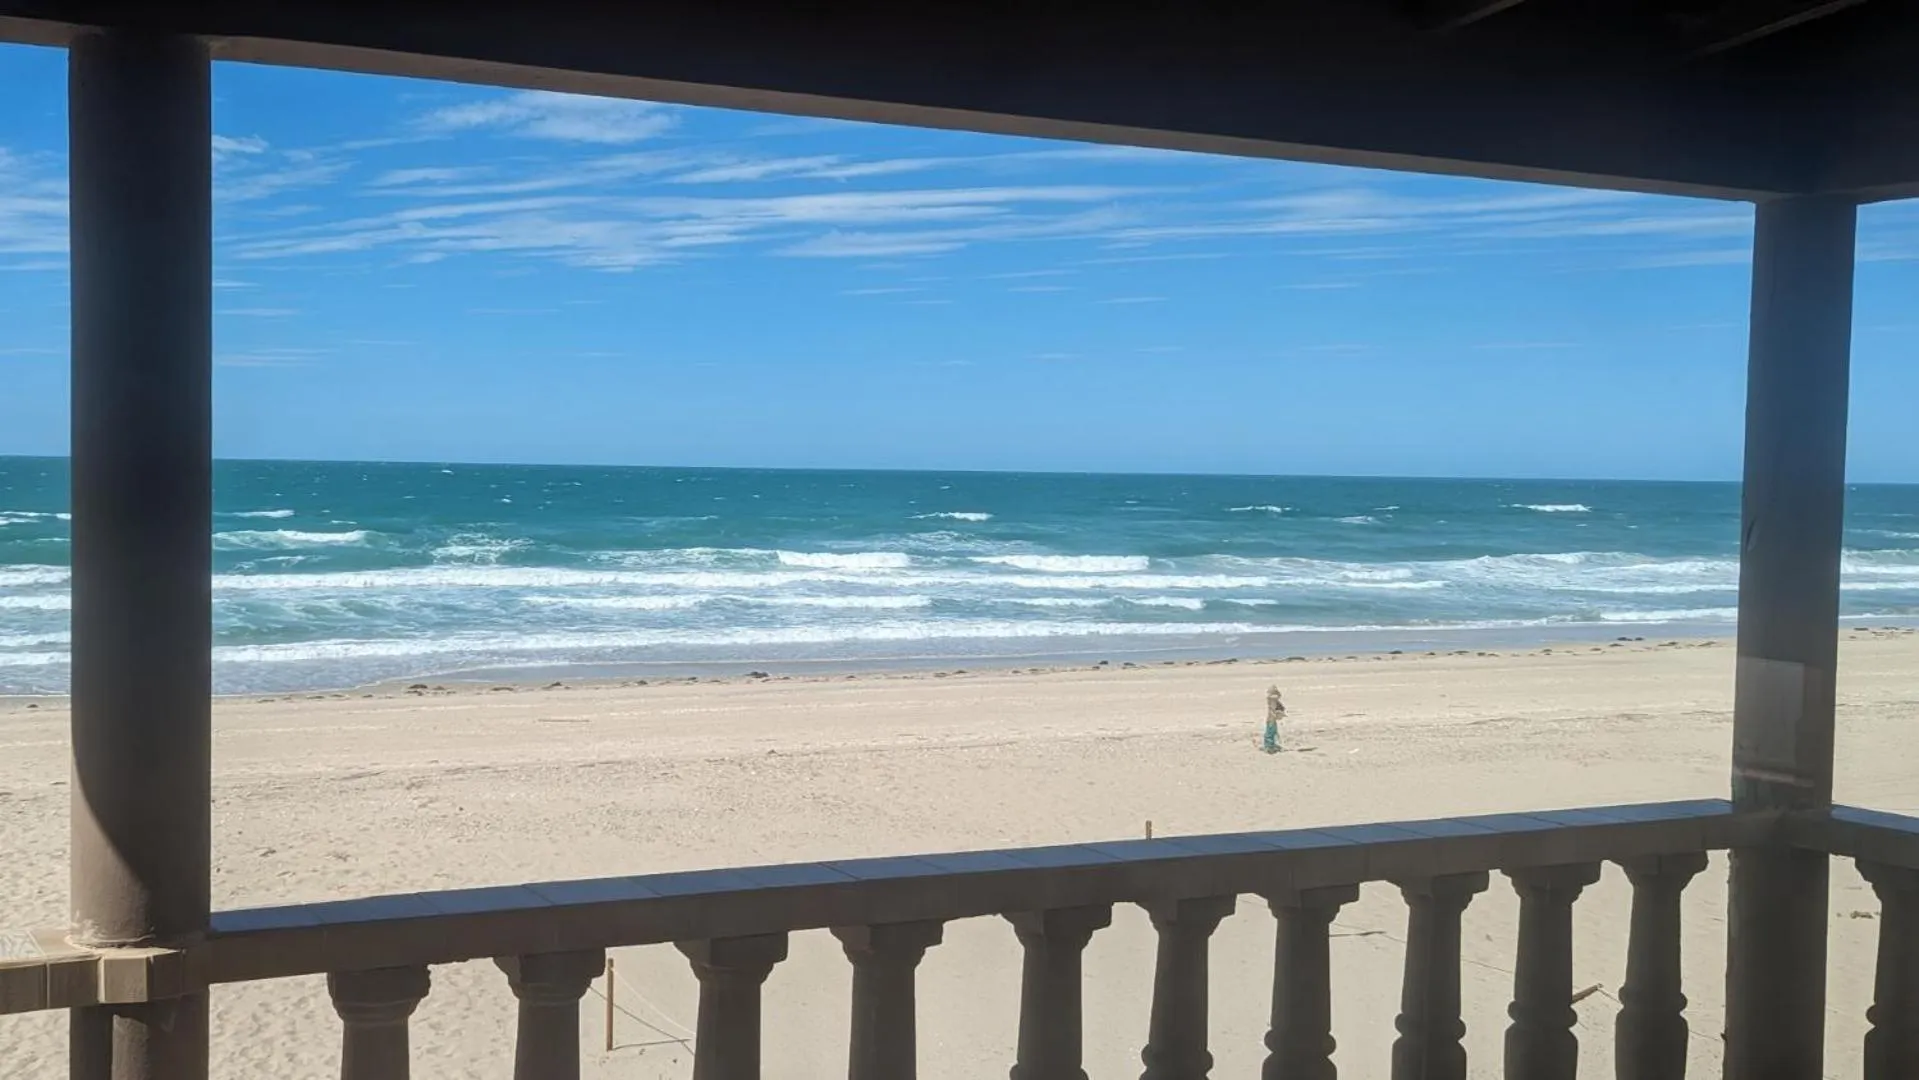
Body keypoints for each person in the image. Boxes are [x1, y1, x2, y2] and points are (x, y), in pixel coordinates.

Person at [1263, 686, 1284, 753]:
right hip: (1271, 719)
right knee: (1271, 732)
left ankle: (1270, 746)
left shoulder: (1272, 701)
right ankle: (1269, 747)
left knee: (1271, 732)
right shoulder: (1272, 700)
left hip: (1271, 719)